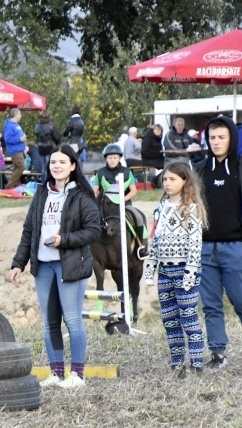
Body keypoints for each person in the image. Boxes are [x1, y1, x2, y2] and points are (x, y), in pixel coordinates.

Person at [9, 145, 100, 389]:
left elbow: (94, 231)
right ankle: (56, 372)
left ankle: (77, 375)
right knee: (50, 322)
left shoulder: (82, 195)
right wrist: (18, 263)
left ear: (73, 166)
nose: (56, 166)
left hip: (70, 266)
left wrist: (64, 240)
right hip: (43, 267)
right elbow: (29, 230)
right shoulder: (41, 193)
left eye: (62, 162)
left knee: (72, 319)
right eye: (53, 162)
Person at [193, 115, 242, 369]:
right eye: (212, 137)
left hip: (236, 247)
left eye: (221, 137)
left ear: (232, 138)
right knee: (211, 305)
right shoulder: (199, 169)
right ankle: (218, 354)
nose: (216, 142)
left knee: (240, 299)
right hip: (204, 248)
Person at [143, 162, 208, 377]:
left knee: (188, 317)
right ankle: (177, 363)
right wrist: (150, 268)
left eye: (172, 179)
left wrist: (190, 271)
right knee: (170, 319)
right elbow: (156, 239)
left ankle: (196, 362)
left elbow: (195, 243)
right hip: (165, 271)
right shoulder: (161, 207)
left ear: (185, 181)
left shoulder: (191, 208)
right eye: (165, 179)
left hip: (184, 270)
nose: (167, 183)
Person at [92, 143, 147, 258]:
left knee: (139, 217)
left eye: (115, 157)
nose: (112, 160)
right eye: (110, 158)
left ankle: (141, 246)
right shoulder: (100, 173)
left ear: (119, 158)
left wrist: (122, 200)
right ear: (106, 159)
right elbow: (95, 191)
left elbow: (133, 191)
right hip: (106, 206)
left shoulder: (127, 172)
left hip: (124, 204)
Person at [3, 108, 28, 188]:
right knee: (21, 167)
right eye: (20, 114)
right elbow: (7, 139)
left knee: (16, 169)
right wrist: (19, 139)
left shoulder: (16, 125)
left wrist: (24, 144)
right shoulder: (9, 125)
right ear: (16, 115)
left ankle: (13, 186)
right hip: (15, 151)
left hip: (19, 150)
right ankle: (9, 186)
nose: (21, 116)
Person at [33, 109, 61, 176]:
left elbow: (37, 136)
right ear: (49, 116)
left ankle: (44, 181)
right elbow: (57, 137)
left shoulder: (37, 126)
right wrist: (58, 144)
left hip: (41, 147)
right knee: (50, 167)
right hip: (50, 147)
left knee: (44, 169)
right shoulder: (52, 125)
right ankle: (50, 181)